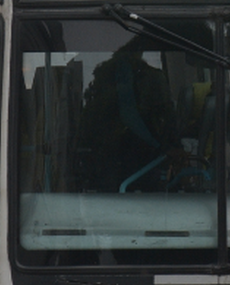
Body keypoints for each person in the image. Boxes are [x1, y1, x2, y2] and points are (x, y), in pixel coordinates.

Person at [76, 39, 183, 191]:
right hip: (133, 156)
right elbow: (133, 114)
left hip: (108, 156)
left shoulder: (102, 75)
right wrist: (165, 147)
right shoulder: (148, 77)